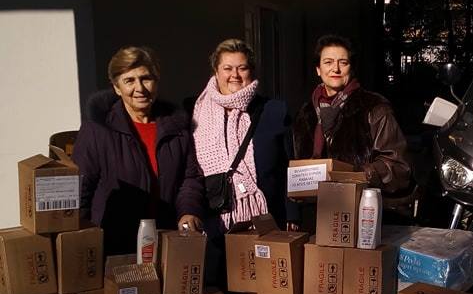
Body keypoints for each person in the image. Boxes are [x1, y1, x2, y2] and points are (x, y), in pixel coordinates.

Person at [73, 46, 204, 255]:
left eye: (146, 78)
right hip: (115, 245)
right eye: (129, 80)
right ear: (117, 88)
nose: (140, 88)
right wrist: (82, 245)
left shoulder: (177, 128)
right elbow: (81, 189)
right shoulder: (97, 130)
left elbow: (189, 178)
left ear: (156, 81)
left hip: (166, 241)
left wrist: (188, 211)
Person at [192, 38, 295, 233]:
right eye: (227, 68)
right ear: (216, 72)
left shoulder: (274, 111)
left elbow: (289, 166)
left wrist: (292, 214)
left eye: (242, 68)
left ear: (252, 71)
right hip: (213, 224)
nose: (235, 75)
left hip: (267, 221)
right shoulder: (197, 114)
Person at [292, 34, 411, 195]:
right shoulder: (305, 114)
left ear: (351, 68)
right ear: (318, 69)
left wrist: (355, 175)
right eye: (328, 62)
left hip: (361, 203)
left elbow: (398, 166)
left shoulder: (374, 108)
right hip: (315, 205)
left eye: (343, 62)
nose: (336, 69)